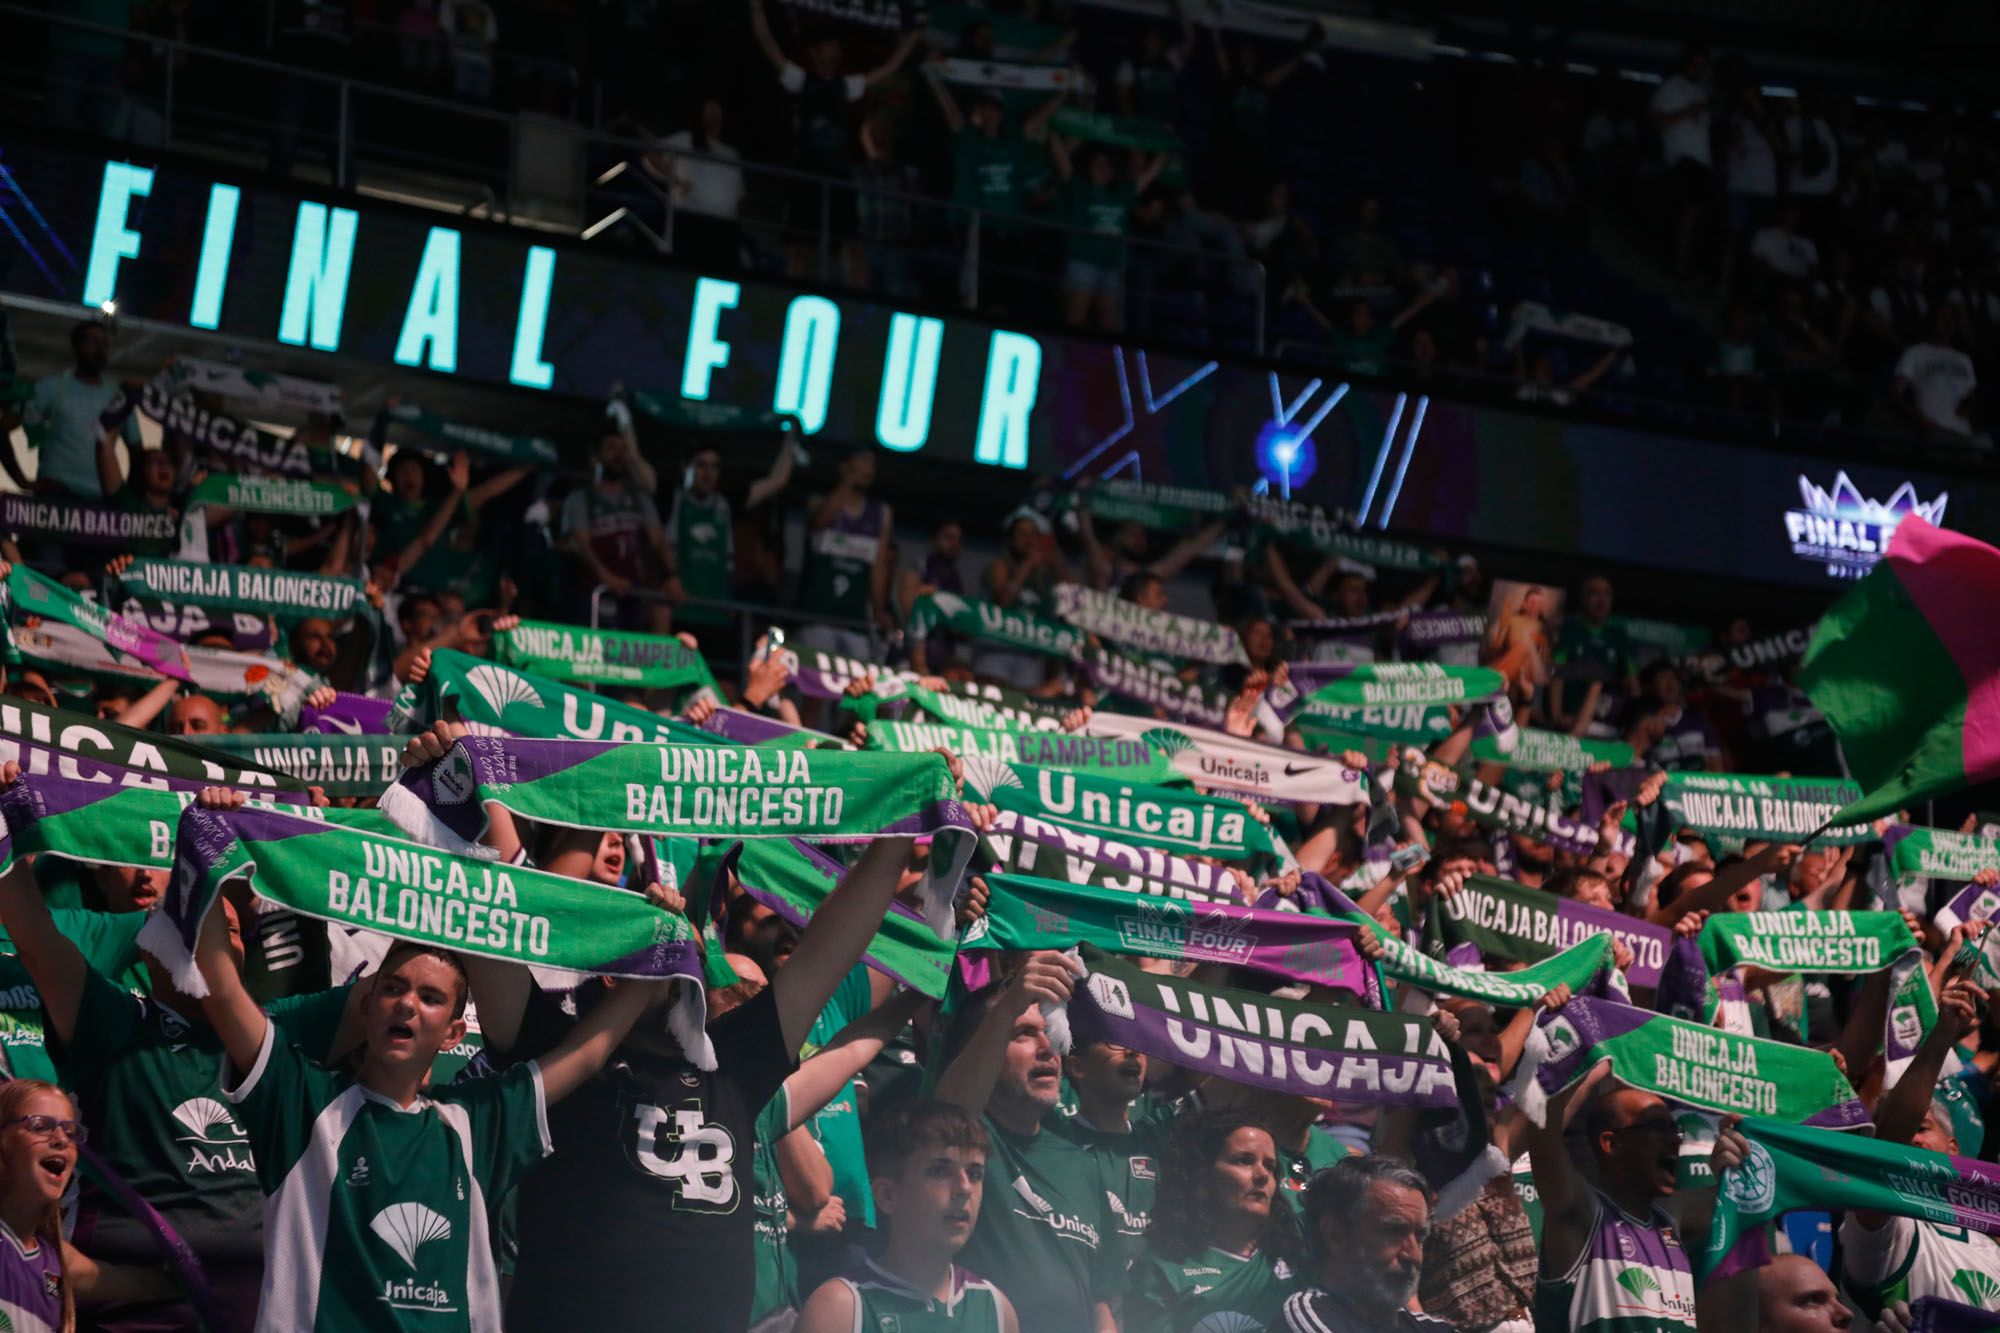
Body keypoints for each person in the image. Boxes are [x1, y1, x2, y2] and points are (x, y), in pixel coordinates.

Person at [184, 786, 664, 1332]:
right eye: (394, 988)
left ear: (454, 1031)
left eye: (430, 998)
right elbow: (221, 990)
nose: (408, 1004)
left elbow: (588, 1054)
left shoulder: (476, 1123)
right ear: (367, 1004)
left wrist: (662, 951)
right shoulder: (298, 1100)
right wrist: (210, 846)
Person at [495, 822, 924, 1328]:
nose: (686, 967)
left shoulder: (734, 1062)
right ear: (613, 973)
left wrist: (901, 826)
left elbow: (832, 945)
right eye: (665, 950)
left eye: (693, 956)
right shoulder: (563, 1054)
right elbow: (501, 911)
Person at [935, 952, 1122, 1333]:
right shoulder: (968, 1141)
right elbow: (948, 1119)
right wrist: (1006, 1008)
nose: (1047, 1048)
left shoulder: (1082, 1165)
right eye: (1022, 1033)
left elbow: (1103, 1295)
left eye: (1048, 1033)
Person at [1833, 977, 1999, 1315]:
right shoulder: (1885, 1230)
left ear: (1953, 1148)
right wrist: (1941, 1037)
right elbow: (1890, 1155)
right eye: (1905, 1130)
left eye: (1922, 1128)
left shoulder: (1989, 1245)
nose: (1912, 1139)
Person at [796, 1100, 1018, 1333]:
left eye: (974, 1174)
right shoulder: (840, 1309)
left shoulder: (997, 1309)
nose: (965, 1188)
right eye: (940, 1171)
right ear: (887, 1196)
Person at [748, 0, 919, 282]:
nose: (835, 50)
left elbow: (888, 69)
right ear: (815, 52)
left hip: (839, 176)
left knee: (851, 247)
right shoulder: (800, 80)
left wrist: (912, 37)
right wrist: (756, 8)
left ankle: (856, 307)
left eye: (836, 46)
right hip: (806, 172)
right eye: (829, 45)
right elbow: (766, 43)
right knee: (799, 247)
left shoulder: (847, 86)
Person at [1527, 1061, 1697, 1332]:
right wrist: (1591, 1059)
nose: (1674, 1140)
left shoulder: (1672, 1219)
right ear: (1612, 1144)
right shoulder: (1582, 1217)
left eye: (1673, 1129)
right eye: (1656, 1127)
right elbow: (1541, 1127)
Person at [1125, 1107, 1300, 1333]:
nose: (1263, 1175)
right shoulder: (1163, 1270)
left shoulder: (1297, 1254)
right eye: (1244, 1160)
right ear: (1202, 1173)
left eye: (1270, 1166)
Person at [1282, 1154, 1459, 1332]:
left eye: (1420, 1237)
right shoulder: (1309, 1315)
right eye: (1394, 1232)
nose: (1414, 1256)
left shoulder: (1429, 1327)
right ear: (1334, 1235)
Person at [0, 319, 139, 502]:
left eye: (105, 343)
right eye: (93, 341)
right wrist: (22, 482)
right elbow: (3, 429)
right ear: (76, 346)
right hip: (56, 497)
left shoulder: (118, 396)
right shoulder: (52, 388)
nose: (100, 348)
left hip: (102, 502)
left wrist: (130, 499)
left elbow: (138, 452)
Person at [561, 429, 677, 633]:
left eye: (623, 449)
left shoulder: (639, 498)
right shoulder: (580, 498)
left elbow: (658, 541)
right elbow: (581, 543)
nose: (619, 455)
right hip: (593, 593)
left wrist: (672, 575)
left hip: (632, 593)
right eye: (611, 448)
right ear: (595, 457)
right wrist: (606, 577)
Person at [1049, 138, 1169, 331]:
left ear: (1113, 170)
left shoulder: (1123, 193)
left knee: (1111, 325)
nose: (1101, 168)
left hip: (1113, 266)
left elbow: (1151, 173)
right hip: (1083, 263)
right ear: (1089, 168)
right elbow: (1061, 158)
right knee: (1075, 320)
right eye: (1097, 164)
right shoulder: (1080, 188)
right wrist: (1055, 129)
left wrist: (1167, 145)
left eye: (1106, 165)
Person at [800, 447, 893, 658]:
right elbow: (820, 520)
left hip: (855, 620)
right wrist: (848, 481)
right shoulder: (819, 502)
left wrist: (879, 609)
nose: (869, 469)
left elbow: (879, 567)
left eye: (872, 464)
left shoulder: (881, 513)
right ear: (845, 466)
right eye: (863, 461)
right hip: (817, 616)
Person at [662, 98, 747, 270]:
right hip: (690, 218)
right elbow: (652, 155)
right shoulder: (685, 139)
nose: (713, 117)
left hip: (724, 227)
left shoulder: (731, 153)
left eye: (717, 113)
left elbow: (740, 193)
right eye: (709, 112)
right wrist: (676, 180)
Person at [1893, 304, 1981, 443]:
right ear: (1932, 322)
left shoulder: (1963, 359)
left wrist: (1969, 405)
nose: (1947, 323)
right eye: (1943, 319)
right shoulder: (1916, 352)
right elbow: (1898, 394)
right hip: (1934, 432)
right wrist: (1920, 420)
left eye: (1951, 320)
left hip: (1963, 433)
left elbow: (1972, 395)